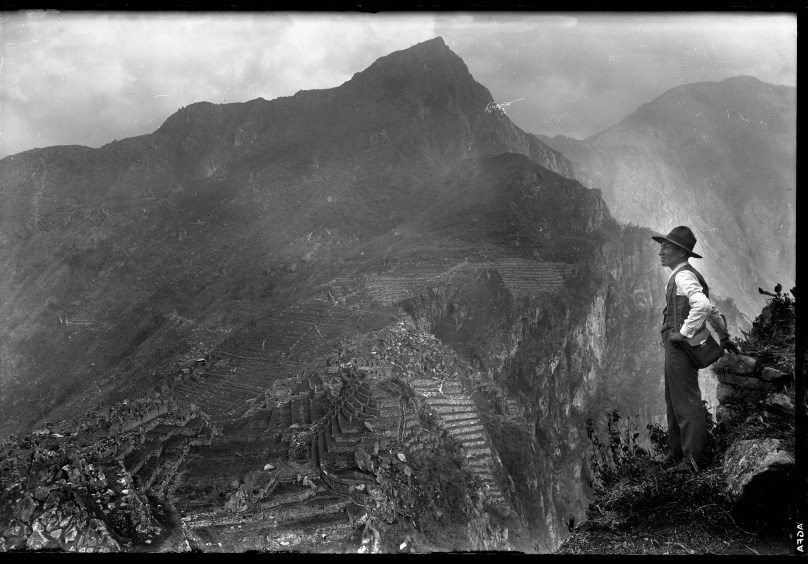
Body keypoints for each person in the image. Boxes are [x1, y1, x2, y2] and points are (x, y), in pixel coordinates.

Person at [652, 226, 740, 473]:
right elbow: (711, 309)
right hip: (675, 346)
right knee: (674, 398)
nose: (661, 251)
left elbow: (701, 305)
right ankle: (677, 452)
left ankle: (692, 461)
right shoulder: (684, 274)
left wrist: (684, 332)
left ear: (680, 252)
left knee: (685, 400)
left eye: (666, 247)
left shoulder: (682, 276)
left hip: (679, 346)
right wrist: (722, 336)